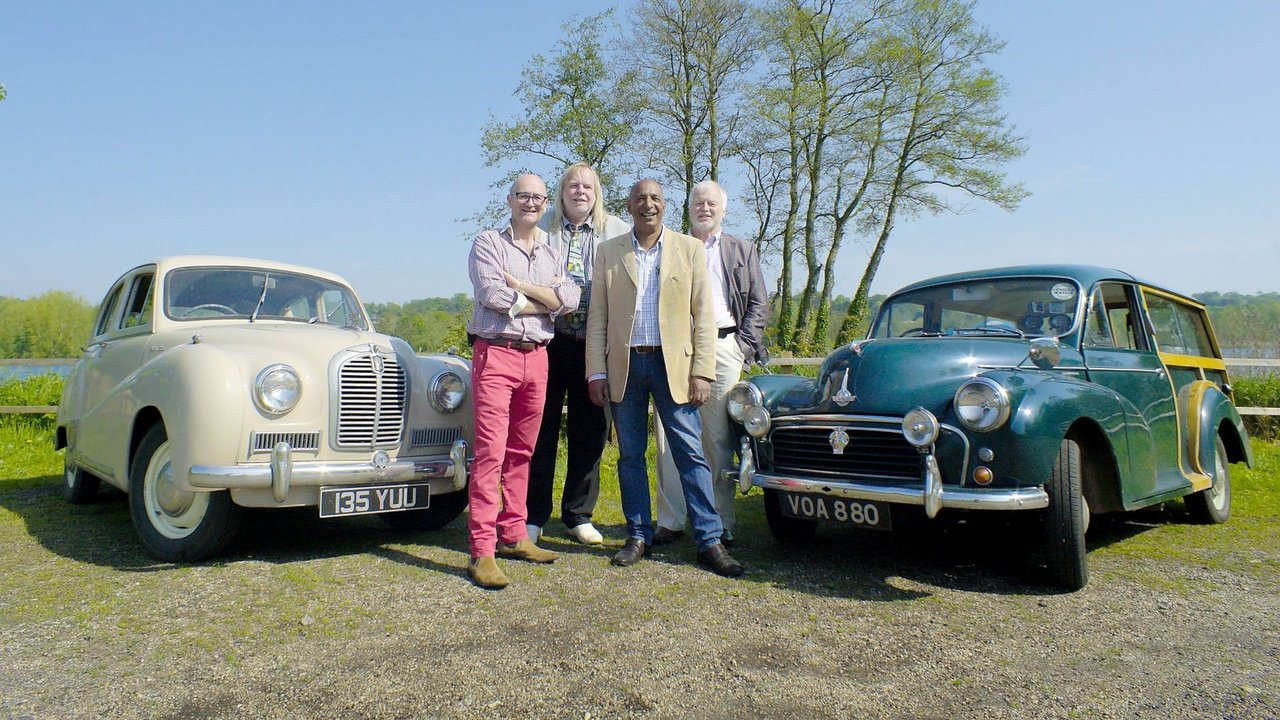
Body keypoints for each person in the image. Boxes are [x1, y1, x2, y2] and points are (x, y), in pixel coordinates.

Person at [584, 178, 744, 578]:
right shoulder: (608, 252)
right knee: (631, 456)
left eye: (655, 198)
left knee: (691, 454)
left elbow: (703, 317)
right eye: (640, 199)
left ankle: (709, 540)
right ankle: (638, 534)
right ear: (630, 205)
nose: (647, 205)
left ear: (665, 205)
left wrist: (702, 371)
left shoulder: (688, 249)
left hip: (674, 368)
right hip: (625, 369)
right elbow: (598, 317)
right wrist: (596, 371)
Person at [464, 173, 581, 589]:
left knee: (522, 452)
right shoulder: (488, 243)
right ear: (510, 200)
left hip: (538, 360)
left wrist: (527, 293)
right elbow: (493, 296)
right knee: (490, 453)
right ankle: (482, 549)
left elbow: (570, 299)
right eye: (523, 196)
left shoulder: (551, 253)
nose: (530, 203)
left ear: (545, 202)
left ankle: (513, 533)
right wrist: (544, 303)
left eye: (537, 197)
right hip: (496, 353)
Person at [653, 180, 769, 546]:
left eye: (712, 203)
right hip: (671, 349)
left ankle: (719, 522)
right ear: (688, 209)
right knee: (667, 439)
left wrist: (742, 346)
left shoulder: (741, 249)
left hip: (723, 347)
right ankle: (671, 520)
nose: (705, 208)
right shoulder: (667, 246)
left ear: (723, 209)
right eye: (698, 203)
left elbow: (758, 303)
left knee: (716, 438)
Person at [526, 163, 631, 546]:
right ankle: (533, 515)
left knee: (590, 432)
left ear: (596, 192)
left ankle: (577, 514)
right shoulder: (542, 229)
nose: (580, 191)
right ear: (562, 191)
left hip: (595, 345)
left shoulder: (617, 230)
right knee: (541, 429)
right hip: (549, 341)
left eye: (587, 185)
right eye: (573, 184)